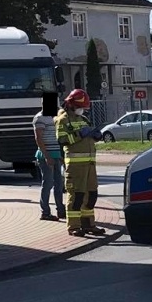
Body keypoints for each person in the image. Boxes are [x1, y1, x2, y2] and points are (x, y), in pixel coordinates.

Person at [57, 89, 103, 235]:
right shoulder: (62, 120)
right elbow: (62, 140)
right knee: (77, 197)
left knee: (91, 195)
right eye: (79, 107)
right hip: (75, 166)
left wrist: (96, 136)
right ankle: (74, 227)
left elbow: (88, 138)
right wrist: (79, 135)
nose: (81, 110)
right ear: (71, 105)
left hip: (90, 165)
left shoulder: (83, 119)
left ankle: (88, 224)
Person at [32, 92, 65, 222]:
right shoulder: (39, 118)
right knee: (48, 183)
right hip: (46, 155)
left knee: (59, 183)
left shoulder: (57, 117)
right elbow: (38, 138)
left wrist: (61, 155)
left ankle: (60, 210)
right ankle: (45, 211)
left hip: (57, 154)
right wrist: (47, 156)